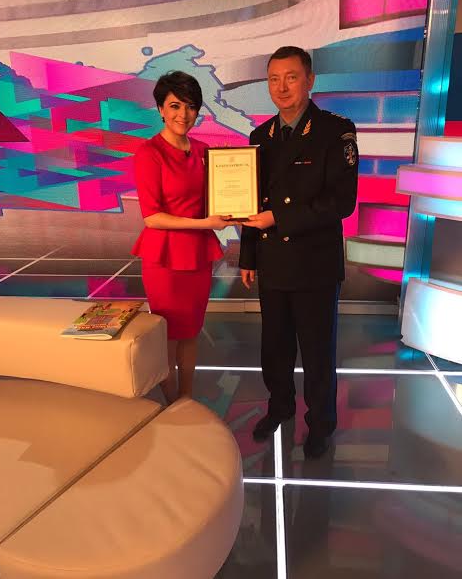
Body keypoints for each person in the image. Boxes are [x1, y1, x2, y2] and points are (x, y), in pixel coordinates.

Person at [239, 46, 359, 457]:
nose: (282, 87)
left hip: (314, 264)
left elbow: (341, 202)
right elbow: (251, 202)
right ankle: (280, 407)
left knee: (317, 352)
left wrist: (279, 218)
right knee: (274, 348)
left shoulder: (335, 131)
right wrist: (248, 256)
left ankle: (321, 424)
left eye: (291, 77)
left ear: (310, 80)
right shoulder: (260, 137)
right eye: (274, 79)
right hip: (272, 261)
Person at [132, 71, 233, 404]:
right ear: (161, 109)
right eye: (175, 105)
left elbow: (217, 199)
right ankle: (171, 400)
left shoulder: (205, 151)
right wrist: (206, 223)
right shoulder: (149, 153)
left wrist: (235, 191)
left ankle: (186, 398)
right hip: (165, 258)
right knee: (168, 334)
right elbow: (152, 217)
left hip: (198, 255)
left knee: (191, 331)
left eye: (190, 106)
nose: (183, 114)